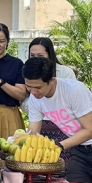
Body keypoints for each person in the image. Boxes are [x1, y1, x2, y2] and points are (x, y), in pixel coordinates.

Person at [20, 37, 77, 167]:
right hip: (40, 125)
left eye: (40, 55)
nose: (35, 59)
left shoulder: (65, 73)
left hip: (64, 126)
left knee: (64, 166)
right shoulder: (28, 74)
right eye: (32, 56)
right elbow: (25, 100)